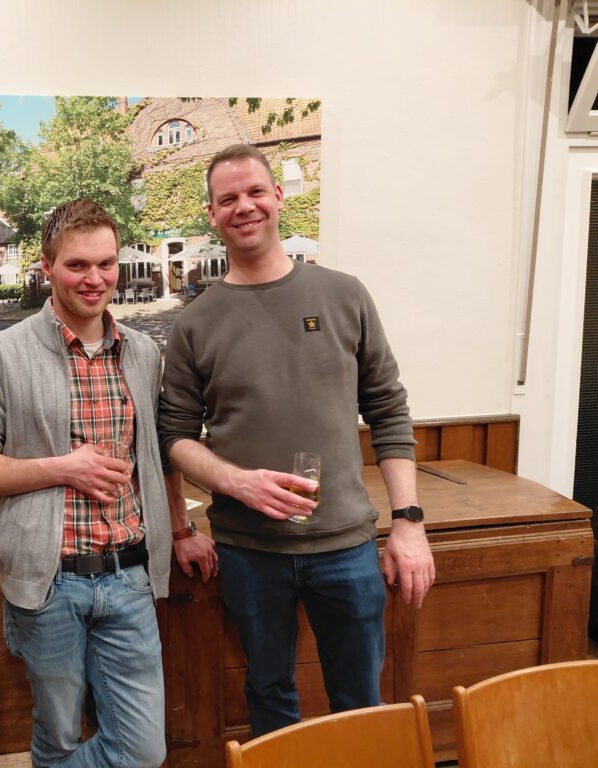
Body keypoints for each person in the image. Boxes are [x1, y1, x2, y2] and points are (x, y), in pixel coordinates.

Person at [158, 144, 435, 737]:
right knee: (268, 692)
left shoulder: (345, 294)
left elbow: (389, 410)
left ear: (279, 197)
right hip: (248, 551)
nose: (244, 206)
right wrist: (236, 482)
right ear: (212, 214)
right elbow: (174, 437)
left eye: (255, 191)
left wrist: (409, 523)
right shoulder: (195, 322)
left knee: (360, 702)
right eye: (228, 198)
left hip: (346, 546)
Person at [0, 198, 217, 768]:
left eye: (106, 263)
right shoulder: (1, 354)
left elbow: (159, 458)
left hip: (130, 576)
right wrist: (62, 467)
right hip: (47, 582)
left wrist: (182, 528)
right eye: (77, 265)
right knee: (58, 737)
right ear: (47, 267)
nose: (94, 279)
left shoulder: (142, 352)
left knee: (143, 749)